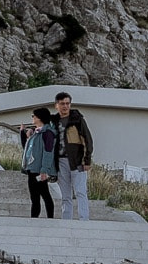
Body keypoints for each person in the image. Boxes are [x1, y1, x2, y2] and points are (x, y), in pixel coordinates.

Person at [52, 92, 94, 221]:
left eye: (67, 103)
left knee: (80, 191)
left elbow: (87, 139)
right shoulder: (53, 121)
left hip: (77, 161)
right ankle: (66, 220)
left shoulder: (77, 119)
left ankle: (84, 219)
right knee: (65, 194)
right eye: (62, 104)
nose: (65, 106)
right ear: (56, 105)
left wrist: (87, 160)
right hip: (60, 161)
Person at [20, 108, 59, 218]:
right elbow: (26, 149)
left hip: (39, 170)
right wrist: (22, 133)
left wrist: (44, 169)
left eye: (33, 116)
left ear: (39, 118)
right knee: (35, 197)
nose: (32, 118)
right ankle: (34, 219)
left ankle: (49, 218)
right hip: (32, 168)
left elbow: (48, 152)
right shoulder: (35, 133)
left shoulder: (47, 133)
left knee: (45, 195)